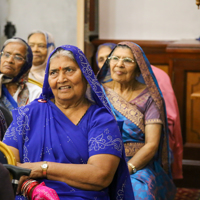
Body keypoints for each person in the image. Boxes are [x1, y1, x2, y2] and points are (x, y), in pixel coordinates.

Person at [3, 45, 134, 200]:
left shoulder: (101, 120)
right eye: (54, 72)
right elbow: (7, 164)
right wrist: (30, 188)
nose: (61, 79)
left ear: (85, 75)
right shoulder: (29, 114)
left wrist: (43, 168)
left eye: (69, 70)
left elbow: (100, 175)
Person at [97, 41, 176, 199]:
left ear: (139, 68)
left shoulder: (149, 98)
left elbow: (152, 144)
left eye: (127, 60)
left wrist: (127, 169)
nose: (119, 64)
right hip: (98, 160)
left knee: (139, 193)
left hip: (137, 164)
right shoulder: (97, 92)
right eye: (115, 58)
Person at [0, 37, 42, 114]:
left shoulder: (35, 93)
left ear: (26, 64)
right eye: (6, 55)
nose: (10, 60)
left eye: (18, 57)